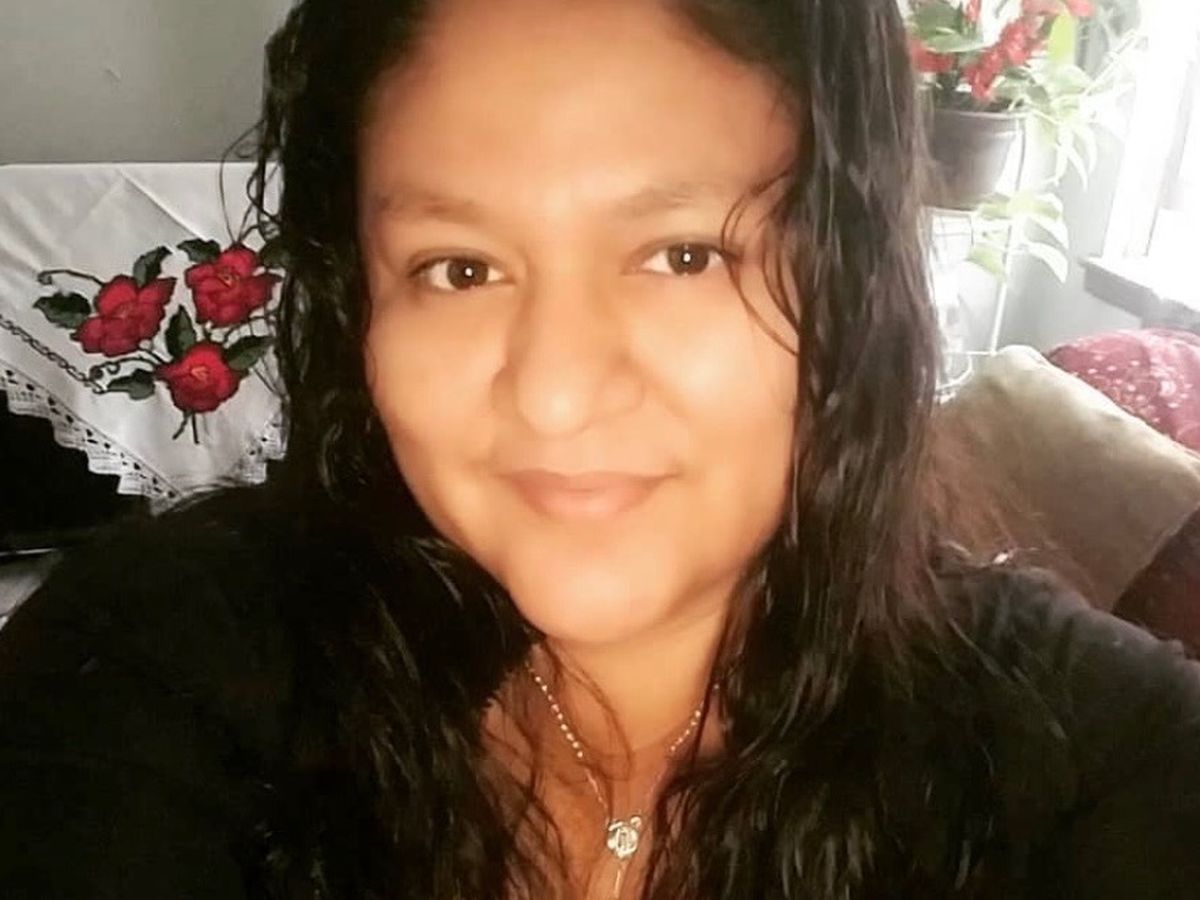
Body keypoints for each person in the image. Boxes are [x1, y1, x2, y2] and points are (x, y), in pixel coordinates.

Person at [2, 0, 1199, 897]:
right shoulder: (152, 663)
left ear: (853, 282)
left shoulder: (1103, 762)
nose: (557, 394)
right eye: (459, 268)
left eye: (684, 254)